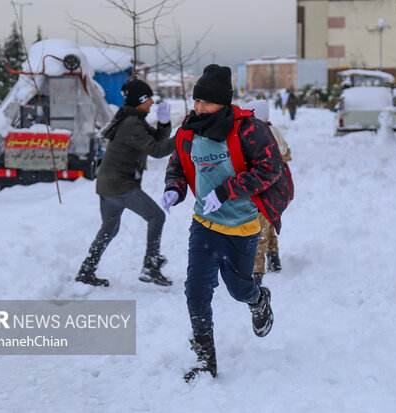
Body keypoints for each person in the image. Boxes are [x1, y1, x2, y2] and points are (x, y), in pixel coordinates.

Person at [161, 64, 291, 382]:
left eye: (206, 102)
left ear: (223, 102)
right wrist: (173, 189)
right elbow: (177, 163)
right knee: (196, 291)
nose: (199, 108)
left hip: (243, 226)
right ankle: (206, 361)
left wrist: (227, 190)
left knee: (239, 289)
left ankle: (259, 299)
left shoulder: (249, 130)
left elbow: (270, 168)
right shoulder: (189, 131)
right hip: (204, 225)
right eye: (196, 101)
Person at [75, 76, 175, 287]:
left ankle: (86, 270)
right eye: (149, 99)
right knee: (156, 216)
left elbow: (157, 140)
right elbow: (158, 150)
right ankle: (150, 265)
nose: (152, 103)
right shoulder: (131, 123)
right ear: (140, 100)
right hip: (119, 185)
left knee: (109, 229)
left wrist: (165, 123)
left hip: (107, 184)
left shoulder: (133, 119)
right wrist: (186, 136)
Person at [241, 100, 293, 286]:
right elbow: (287, 152)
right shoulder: (273, 131)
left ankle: (256, 274)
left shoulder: (259, 134)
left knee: (258, 231)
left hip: (265, 192)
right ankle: (274, 259)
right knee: (268, 224)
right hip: (279, 191)